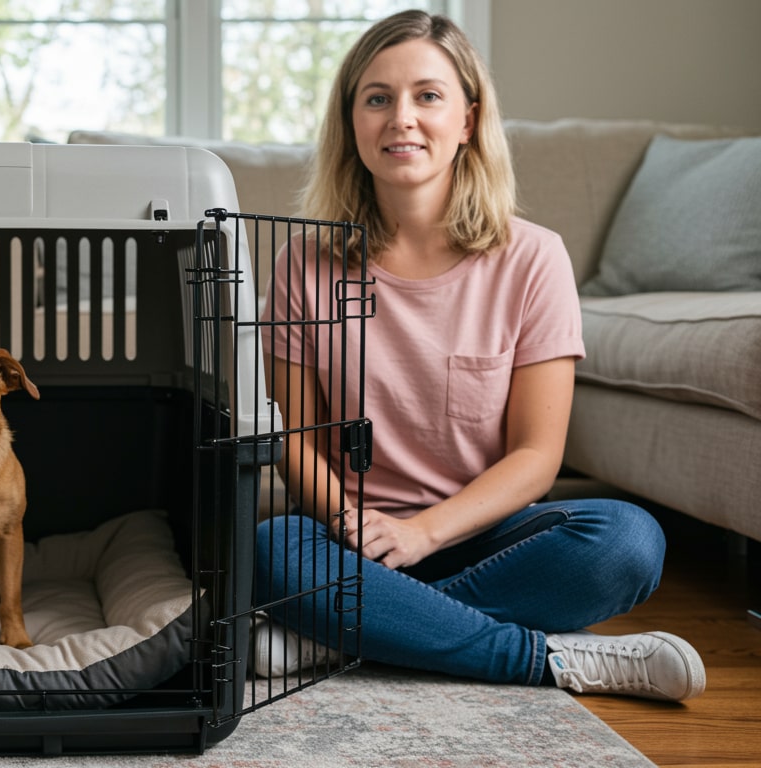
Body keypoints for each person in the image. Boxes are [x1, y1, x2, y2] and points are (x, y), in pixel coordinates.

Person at [254, 9, 705, 702]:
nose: (401, 117)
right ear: (351, 122)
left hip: (489, 537)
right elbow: (294, 437)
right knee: (274, 547)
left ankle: (345, 632)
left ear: (467, 119)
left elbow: (537, 455)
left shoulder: (534, 257)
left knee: (629, 540)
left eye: (427, 96)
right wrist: (353, 525)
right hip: (353, 541)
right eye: (377, 98)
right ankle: (539, 659)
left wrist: (427, 533)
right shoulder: (303, 261)